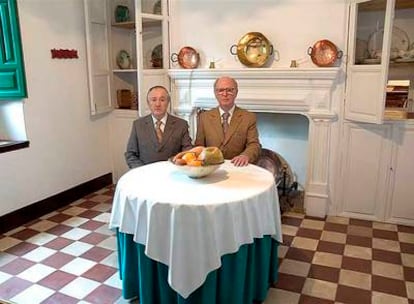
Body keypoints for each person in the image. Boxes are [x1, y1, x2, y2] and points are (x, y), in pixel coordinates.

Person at [195, 76, 261, 166]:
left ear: (236, 92)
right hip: (211, 168)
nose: (225, 94)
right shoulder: (204, 117)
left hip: (237, 167)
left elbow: (254, 144)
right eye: (220, 90)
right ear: (215, 93)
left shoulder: (248, 117)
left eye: (229, 90)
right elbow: (199, 146)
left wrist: (245, 156)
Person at [125, 85, 193, 168]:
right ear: (148, 103)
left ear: (168, 102)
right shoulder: (138, 125)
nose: (157, 104)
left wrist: (179, 164)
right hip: (146, 174)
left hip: (173, 173)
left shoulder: (181, 125)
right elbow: (131, 154)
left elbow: (188, 151)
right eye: (153, 100)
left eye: (162, 100)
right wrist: (142, 171)